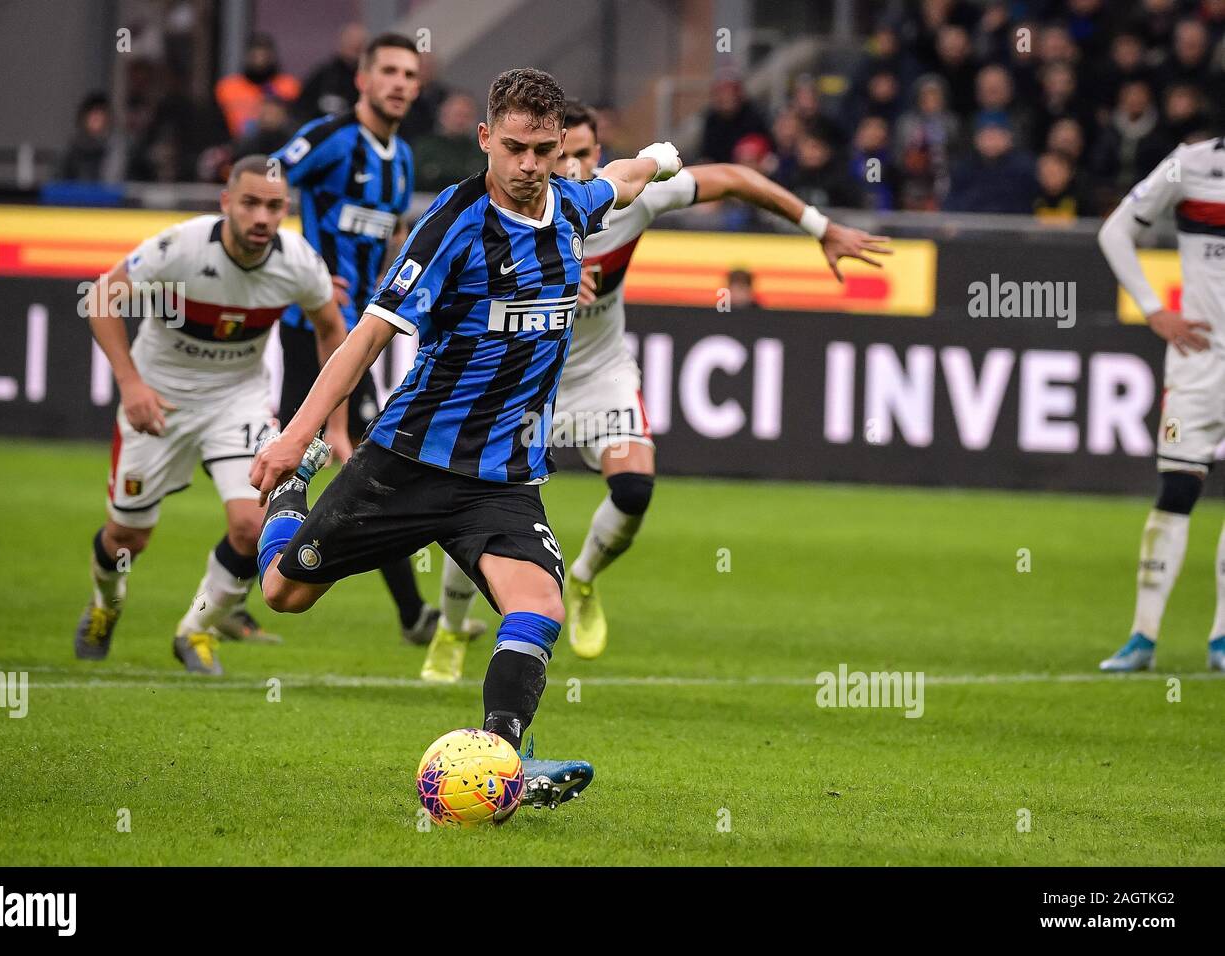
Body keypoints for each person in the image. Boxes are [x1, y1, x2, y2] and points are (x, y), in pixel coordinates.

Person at [250, 69, 682, 807]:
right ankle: (291, 497)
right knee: (284, 592)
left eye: (544, 150)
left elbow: (621, 179)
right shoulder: (453, 226)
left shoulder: (572, 206)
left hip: (504, 480)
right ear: (485, 138)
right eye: (514, 147)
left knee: (538, 608)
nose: (529, 166)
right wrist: (297, 438)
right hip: (410, 462)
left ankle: (501, 764)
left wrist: (661, 158)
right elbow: (367, 338)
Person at [419, 100, 890, 677]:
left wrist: (821, 227)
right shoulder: (505, 215)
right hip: (519, 386)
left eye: (583, 154)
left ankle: (584, 579)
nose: (570, 168)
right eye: (559, 157)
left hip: (600, 378)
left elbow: (735, 179)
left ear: (600, 154)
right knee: (477, 510)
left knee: (635, 489)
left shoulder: (630, 201)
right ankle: (449, 626)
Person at [75, 155, 347, 676]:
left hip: (237, 402)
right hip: (159, 400)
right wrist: (131, 384)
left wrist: (335, 426)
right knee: (128, 538)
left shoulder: (297, 261)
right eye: (250, 203)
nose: (262, 217)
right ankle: (106, 604)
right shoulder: (182, 246)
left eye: (274, 206)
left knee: (251, 527)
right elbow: (102, 297)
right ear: (226, 203)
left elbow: (332, 329)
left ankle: (196, 629)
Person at [271, 32, 454, 645]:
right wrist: (302, 267)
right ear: (363, 79)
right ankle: (240, 585)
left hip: (358, 340)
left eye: (411, 74)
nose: (403, 83)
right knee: (323, 465)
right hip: (311, 334)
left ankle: (410, 615)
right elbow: (262, 186)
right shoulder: (330, 139)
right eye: (391, 72)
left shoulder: (400, 158)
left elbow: (387, 243)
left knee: (364, 467)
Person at [1096, 138, 1225, 673]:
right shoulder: (1190, 163)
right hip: (1198, 362)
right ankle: (1142, 637)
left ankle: (1221, 640)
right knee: (1175, 488)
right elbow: (1115, 232)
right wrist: (1154, 310)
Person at [215, 34, 301, 140]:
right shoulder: (227, 87)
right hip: (236, 146)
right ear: (246, 57)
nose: (259, 61)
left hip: (279, 144)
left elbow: (296, 121)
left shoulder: (289, 86)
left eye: (264, 56)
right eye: (255, 56)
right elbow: (216, 122)